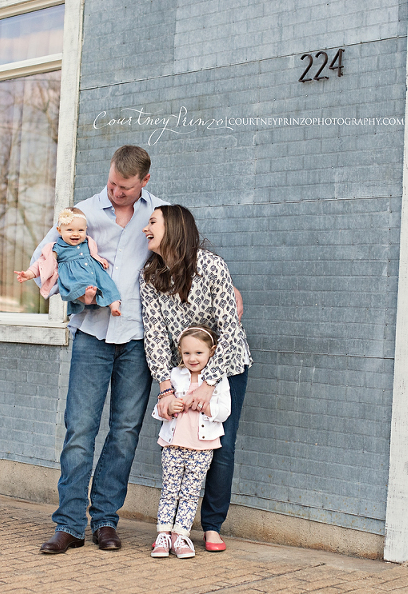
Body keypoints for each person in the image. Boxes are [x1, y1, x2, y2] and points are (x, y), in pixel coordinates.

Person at [35, 145, 167, 554]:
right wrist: (78, 294)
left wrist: (225, 283)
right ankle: (70, 524)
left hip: (139, 338)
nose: (116, 192)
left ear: (144, 182)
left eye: (125, 188)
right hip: (92, 334)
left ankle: (105, 521)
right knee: (80, 431)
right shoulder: (82, 214)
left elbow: (186, 255)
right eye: (112, 183)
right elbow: (43, 262)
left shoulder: (161, 213)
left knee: (125, 433)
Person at [140, 204, 252, 552]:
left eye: (153, 222)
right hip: (181, 371)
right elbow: (155, 335)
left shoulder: (211, 266)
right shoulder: (151, 276)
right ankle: (172, 527)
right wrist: (165, 387)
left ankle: (213, 526)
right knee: (180, 444)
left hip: (227, 367)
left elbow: (229, 328)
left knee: (222, 444)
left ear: (173, 227)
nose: (146, 228)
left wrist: (210, 382)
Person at [150, 325, 231, 559]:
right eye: (187, 353)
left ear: (211, 352)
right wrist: (168, 408)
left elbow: (225, 411)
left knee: (190, 492)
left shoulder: (217, 380)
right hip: (173, 444)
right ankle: (163, 535)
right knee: (169, 490)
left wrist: (207, 406)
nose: (192, 358)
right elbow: (159, 409)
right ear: (180, 353)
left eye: (198, 353)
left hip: (202, 448)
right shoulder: (175, 375)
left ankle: (181, 535)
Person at [15, 206, 122, 316]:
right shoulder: (58, 248)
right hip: (73, 275)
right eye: (70, 230)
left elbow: (93, 254)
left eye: (80, 230)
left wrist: (100, 260)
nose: (75, 234)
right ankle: (86, 297)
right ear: (59, 231)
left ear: (85, 230)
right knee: (76, 286)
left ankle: (114, 306)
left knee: (108, 284)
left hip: (94, 271)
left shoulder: (88, 241)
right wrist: (29, 274)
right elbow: (43, 262)